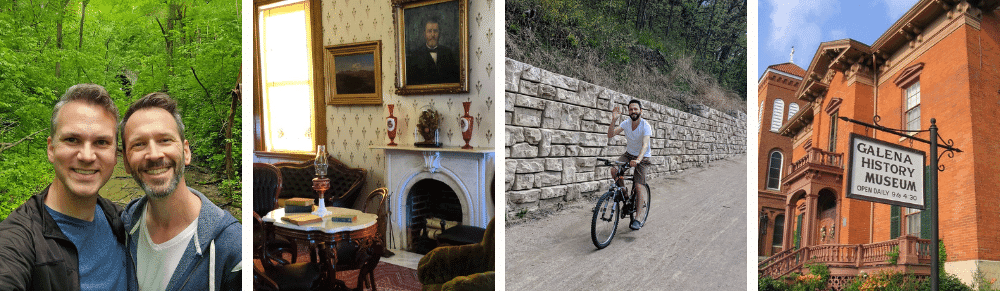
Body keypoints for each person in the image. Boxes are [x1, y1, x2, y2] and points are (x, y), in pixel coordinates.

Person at [0, 84, 129, 290]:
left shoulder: (124, 222)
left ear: (116, 155)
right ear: (51, 149)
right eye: (72, 139)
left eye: (101, 142)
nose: (87, 156)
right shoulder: (19, 239)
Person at [119, 92, 241, 291]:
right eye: (139, 144)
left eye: (165, 140)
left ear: (186, 152)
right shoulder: (124, 225)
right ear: (125, 160)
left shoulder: (232, 250)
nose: (154, 154)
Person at [606, 99, 652, 230]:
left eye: (635, 109)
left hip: (643, 158)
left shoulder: (645, 126)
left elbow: (645, 145)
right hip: (629, 154)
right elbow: (610, 135)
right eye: (631, 109)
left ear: (641, 111)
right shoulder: (626, 123)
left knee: (638, 186)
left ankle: (638, 217)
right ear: (628, 111)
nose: (633, 111)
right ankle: (625, 195)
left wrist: (638, 160)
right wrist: (614, 120)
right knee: (614, 170)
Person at [406, 15, 460, 85]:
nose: (432, 35)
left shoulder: (448, 53)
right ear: (424, 34)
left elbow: (454, 79)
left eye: (435, 31)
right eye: (429, 31)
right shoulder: (415, 55)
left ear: (439, 33)